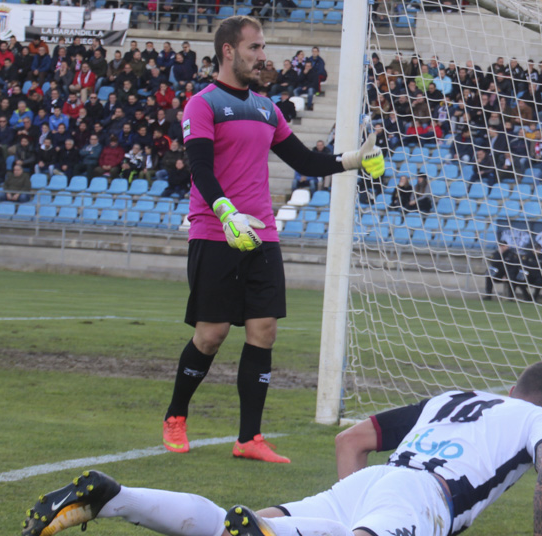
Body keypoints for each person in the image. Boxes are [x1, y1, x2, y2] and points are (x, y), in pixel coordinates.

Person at [22, 362, 542, 536]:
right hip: (426, 494)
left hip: (371, 481)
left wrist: (349, 511)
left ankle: (115, 497)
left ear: (513, 386)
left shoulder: (454, 398)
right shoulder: (541, 421)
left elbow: (350, 440)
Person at [163, 16, 384, 463]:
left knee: (263, 331)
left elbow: (303, 158)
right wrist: (225, 212)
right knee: (211, 335)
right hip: (217, 230)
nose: (262, 55)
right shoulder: (202, 104)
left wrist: (352, 159)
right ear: (228, 51)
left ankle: (249, 438)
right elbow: (200, 168)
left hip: (261, 234)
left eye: (262, 47)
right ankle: (176, 416)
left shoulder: (267, 108)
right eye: (254, 48)